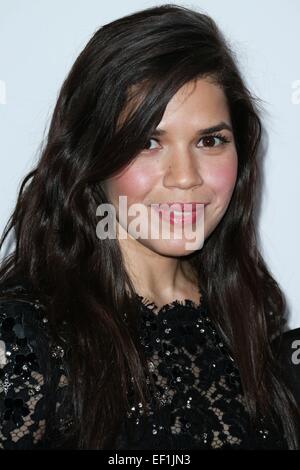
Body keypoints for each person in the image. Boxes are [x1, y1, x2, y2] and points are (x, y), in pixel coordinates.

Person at [0, 4, 299, 450]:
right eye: (148, 142)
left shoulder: (255, 322)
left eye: (210, 140)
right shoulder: (25, 341)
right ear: (90, 158)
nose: (185, 175)